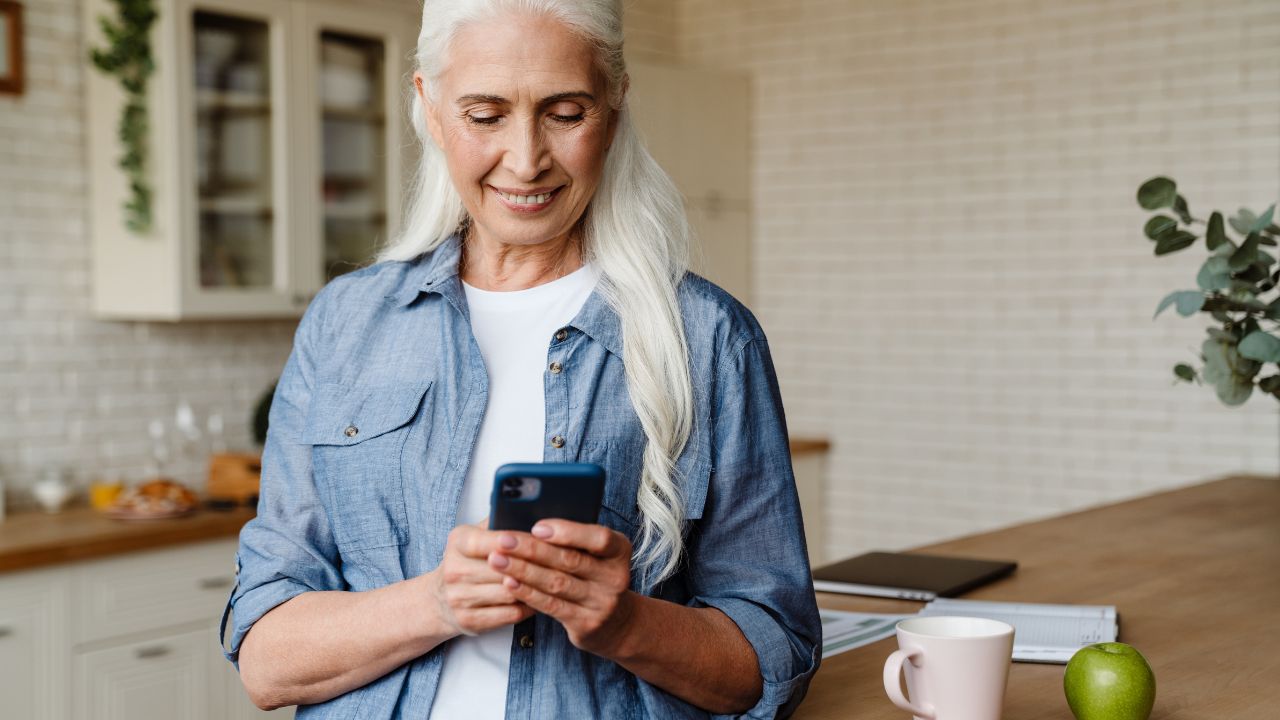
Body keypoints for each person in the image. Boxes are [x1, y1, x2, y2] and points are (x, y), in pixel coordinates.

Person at [218, 0, 821, 717]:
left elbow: (771, 657)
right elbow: (267, 660)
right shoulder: (345, 325)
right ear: (430, 107)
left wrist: (623, 622)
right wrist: (438, 601)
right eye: (485, 115)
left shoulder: (710, 338)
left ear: (616, 106)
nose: (526, 157)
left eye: (565, 113)